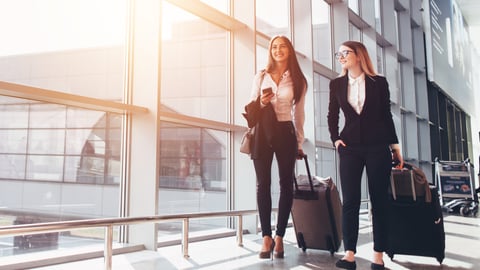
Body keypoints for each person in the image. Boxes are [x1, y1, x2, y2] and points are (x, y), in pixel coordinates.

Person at [327, 41, 404, 270]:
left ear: (359, 55)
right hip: (349, 147)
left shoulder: (378, 83)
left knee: (379, 201)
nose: (340, 57)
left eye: (345, 53)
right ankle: (349, 254)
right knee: (350, 201)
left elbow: (386, 116)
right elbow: (331, 115)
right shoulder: (336, 84)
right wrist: (335, 139)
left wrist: (395, 148)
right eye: (338, 53)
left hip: (377, 146)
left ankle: (378, 255)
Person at [245, 35, 307, 259]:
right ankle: (266, 237)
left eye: (282, 47)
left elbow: (299, 114)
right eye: (274, 47)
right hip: (262, 132)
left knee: (285, 185)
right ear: (270, 51)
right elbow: (251, 106)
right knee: (263, 185)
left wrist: (299, 142)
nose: (278, 50)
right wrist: (261, 102)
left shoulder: (299, 80)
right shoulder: (261, 76)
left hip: (285, 133)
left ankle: (280, 236)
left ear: (289, 50)